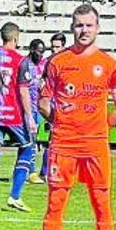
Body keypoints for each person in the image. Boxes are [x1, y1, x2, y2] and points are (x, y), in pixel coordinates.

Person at [34, 5, 116, 230]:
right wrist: (61, 122)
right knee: (55, 203)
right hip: (63, 145)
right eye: (78, 25)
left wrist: (100, 127)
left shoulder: (110, 64)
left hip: (96, 147)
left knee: (101, 203)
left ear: (97, 28)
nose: (83, 30)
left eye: (89, 25)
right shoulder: (57, 62)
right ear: (71, 27)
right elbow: (42, 102)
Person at [0, 23, 35, 214]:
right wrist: (30, 117)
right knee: (28, 149)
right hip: (14, 117)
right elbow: (23, 90)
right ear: (16, 38)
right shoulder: (21, 60)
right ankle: (15, 196)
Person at [34, 33, 68, 183]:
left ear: (64, 47)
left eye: (57, 47)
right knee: (52, 138)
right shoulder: (46, 63)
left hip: (66, 104)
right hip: (51, 105)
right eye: (52, 47)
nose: (54, 50)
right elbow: (40, 81)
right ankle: (45, 172)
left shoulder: (69, 62)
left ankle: (52, 172)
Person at [20, 39, 47, 185]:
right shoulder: (24, 64)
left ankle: (22, 170)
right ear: (31, 49)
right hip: (26, 108)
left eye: (43, 52)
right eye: (38, 51)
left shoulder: (43, 65)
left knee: (32, 140)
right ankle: (30, 172)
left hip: (38, 108)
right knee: (30, 141)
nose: (40, 55)